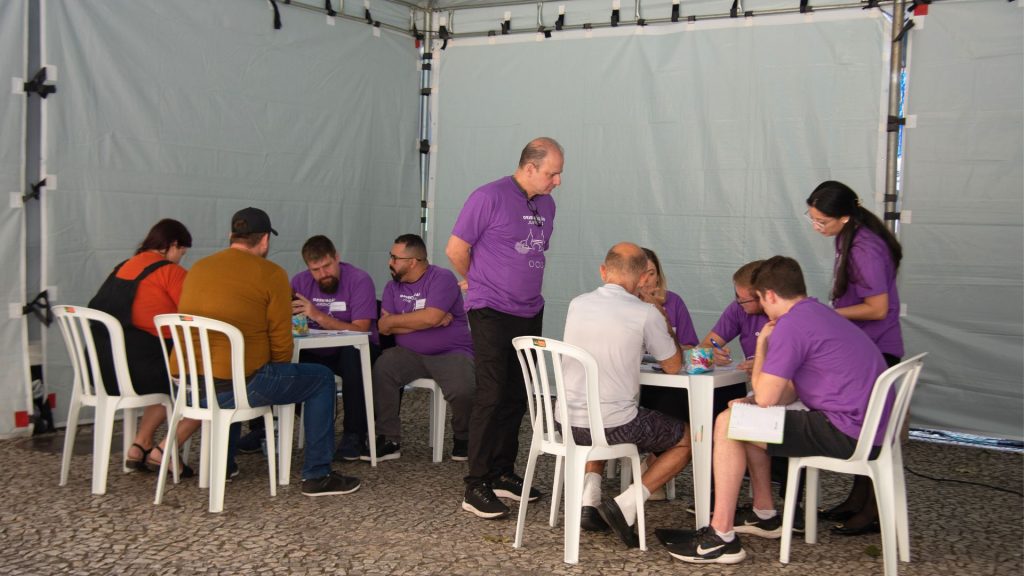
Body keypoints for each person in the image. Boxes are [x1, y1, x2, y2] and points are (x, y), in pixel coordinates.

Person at [663, 256, 888, 564]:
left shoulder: (789, 325)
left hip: (846, 430)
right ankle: (765, 514)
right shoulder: (818, 313)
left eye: (758, 299)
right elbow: (792, 389)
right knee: (742, 419)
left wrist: (763, 346)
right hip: (865, 427)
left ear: (769, 295)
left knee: (727, 423)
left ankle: (721, 537)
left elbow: (768, 397)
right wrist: (753, 403)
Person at [176, 207, 360, 496]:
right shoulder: (271, 273)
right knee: (320, 378)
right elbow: (281, 342)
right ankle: (317, 474)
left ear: (231, 236)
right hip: (235, 388)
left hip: (188, 386)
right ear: (264, 240)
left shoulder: (198, 268)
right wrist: (278, 372)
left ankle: (223, 466)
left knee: (232, 369)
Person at [445, 136, 563, 519]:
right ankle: (475, 483)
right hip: (491, 309)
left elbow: (534, 251)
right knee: (492, 392)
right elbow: (455, 249)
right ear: (530, 167)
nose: (557, 180)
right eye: (552, 173)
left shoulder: (547, 204)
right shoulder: (488, 197)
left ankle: (501, 472)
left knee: (517, 393)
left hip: (529, 310)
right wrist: (477, 282)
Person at [560, 242, 690, 548]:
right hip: (614, 425)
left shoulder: (577, 303)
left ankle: (589, 501)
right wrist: (658, 314)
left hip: (567, 421)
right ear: (644, 276)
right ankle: (626, 504)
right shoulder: (646, 312)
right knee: (687, 439)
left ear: (603, 271)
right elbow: (673, 367)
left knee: (601, 411)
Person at [806, 180, 904, 535]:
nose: (817, 226)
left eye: (822, 221)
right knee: (869, 430)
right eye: (812, 218)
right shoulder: (848, 238)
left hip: (877, 350)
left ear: (844, 217)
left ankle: (872, 513)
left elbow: (877, 309)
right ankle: (856, 501)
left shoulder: (865, 248)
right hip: (865, 348)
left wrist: (829, 315)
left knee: (871, 433)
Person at [87, 219, 199, 474]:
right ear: (172, 245)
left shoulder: (122, 267)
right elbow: (195, 313)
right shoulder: (170, 272)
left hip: (101, 370)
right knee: (196, 382)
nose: (181, 259)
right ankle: (166, 450)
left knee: (167, 373)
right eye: (182, 252)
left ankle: (140, 444)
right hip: (138, 370)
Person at [369, 234, 475, 462]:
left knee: (464, 388)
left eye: (395, 258)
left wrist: (406, 319)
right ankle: (389, 438)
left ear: (413, 261)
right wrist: (427, 320)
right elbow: (385, 327)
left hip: (451, 352)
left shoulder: (442, 278)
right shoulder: (391, 287)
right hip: (408, 354)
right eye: (391, 257)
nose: (390, 262)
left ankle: (464, 438)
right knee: (383, 368)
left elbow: (427, 317)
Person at [288, 235, 378, 461]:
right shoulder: (299, 282)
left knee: (352, 354)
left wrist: (317, 315)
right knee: (285, 357)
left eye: (327, 266)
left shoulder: (359, 280)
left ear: (337, 257)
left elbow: (360, 329)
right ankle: (273, 428)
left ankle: (354, 434)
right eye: (315, 269)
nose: (322, 274)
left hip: (356, 350)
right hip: (317, 349)